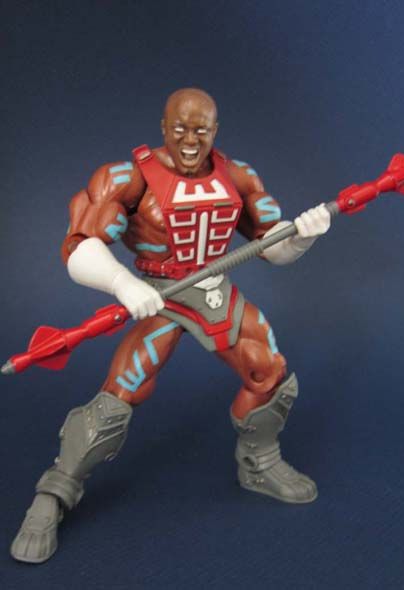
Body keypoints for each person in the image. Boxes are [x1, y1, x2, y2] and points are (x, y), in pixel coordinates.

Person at [11, 88, 331, 563]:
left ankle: (259, 462)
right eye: (180, 129)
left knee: (268, 369)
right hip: (158, 296)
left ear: (215, 131)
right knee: (123, 390)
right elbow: (78, 246)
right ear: (163, 127)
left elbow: (273, 246)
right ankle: (56, 490)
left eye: (201, 130)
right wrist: (122, 283)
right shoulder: (128, 178)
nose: (190, 141)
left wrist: (303, 236)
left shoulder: (238, 176)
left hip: (214, 293)